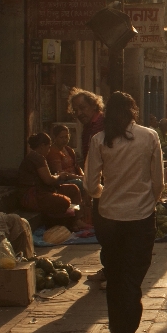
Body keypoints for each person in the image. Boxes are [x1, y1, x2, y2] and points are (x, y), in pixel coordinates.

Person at [85, 91, 164, 333]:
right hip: (140, 219)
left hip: (108, 217)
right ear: (133, 111)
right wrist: (147, 203)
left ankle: (118, 332)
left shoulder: (99, 140)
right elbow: (158, 183)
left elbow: (89, 185)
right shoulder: (149, 136)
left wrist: (105, 194)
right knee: (131, 282)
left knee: (116, 278)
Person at [68, 88, 106, 281]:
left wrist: (89, 191)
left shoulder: (100, 125)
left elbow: (97, 161)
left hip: (105, 183)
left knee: (104, 226)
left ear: (94, 105)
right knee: (101, 226)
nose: (79, 113)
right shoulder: (89, 127)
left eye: (83, 108)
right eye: (76, 110)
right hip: (97, 183)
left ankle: (109, 269)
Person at [18, 133, 86, 228]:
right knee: (64, 202)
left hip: (42, 191)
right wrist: (59, 176)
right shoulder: (37, 157)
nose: (49, 150)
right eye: (48, 147)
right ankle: (65, 223)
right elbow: (48, 180)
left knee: (73, 189)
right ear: (42, 146)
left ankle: (77, 221)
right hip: (32, 196)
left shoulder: (38, 157)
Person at [47, 124, 86, 198]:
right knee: (81, 183)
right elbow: (60, 173)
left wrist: (83, 176)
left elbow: (76, 166)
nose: (65, 140)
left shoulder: (68, 150)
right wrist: (80, 178)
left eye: (66, 137)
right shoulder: (53, 152)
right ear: (55, 138)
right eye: (61, 137)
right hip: (62, 181)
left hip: (75, 177)